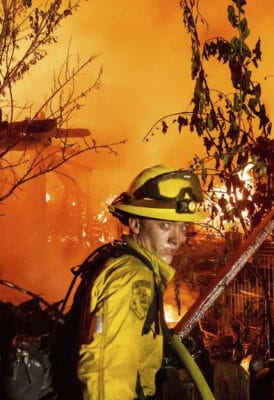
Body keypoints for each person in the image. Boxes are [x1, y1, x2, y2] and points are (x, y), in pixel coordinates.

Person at [76, 164, 206, 400]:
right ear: (135, 224)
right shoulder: (134, 278)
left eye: (182, 226)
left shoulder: (133, 267)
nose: (176, 239)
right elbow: (108, 370)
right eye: (164, 225)